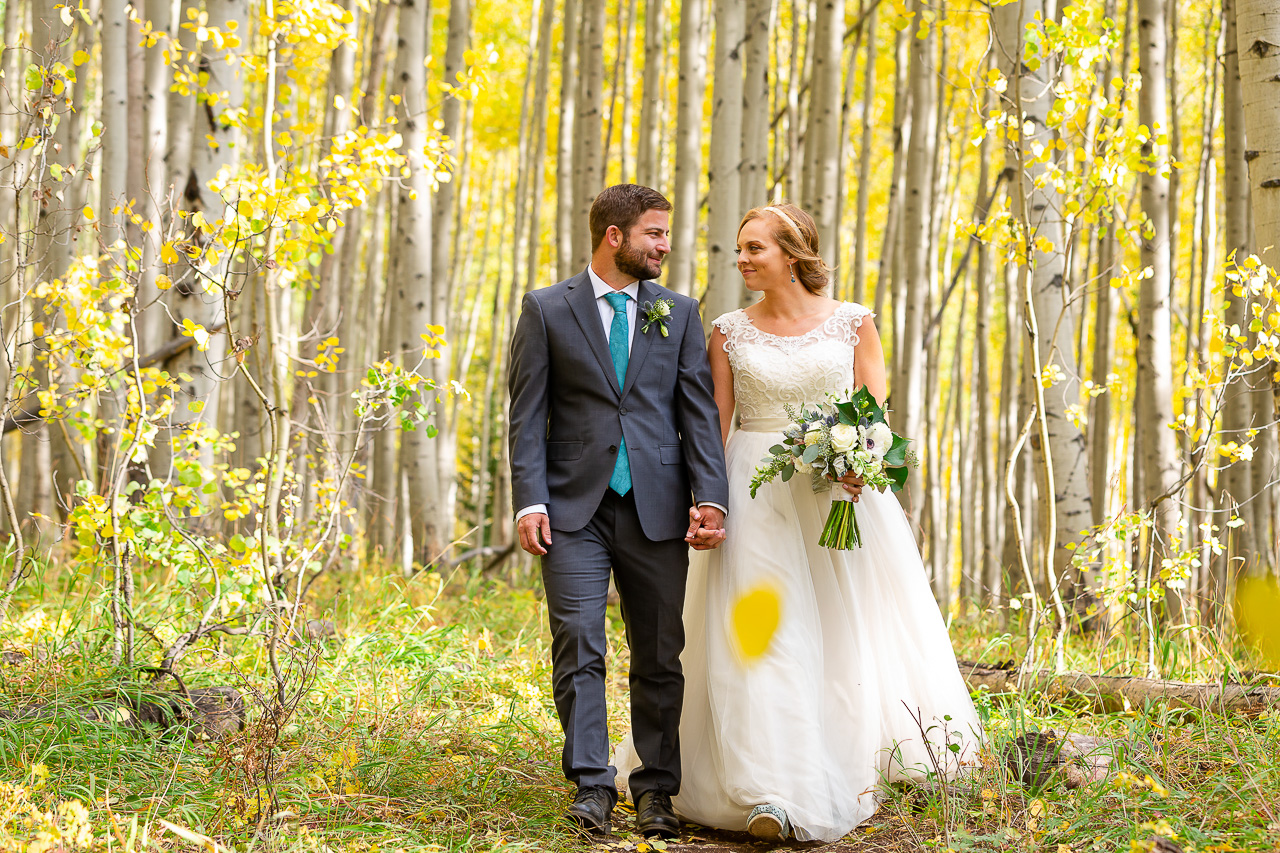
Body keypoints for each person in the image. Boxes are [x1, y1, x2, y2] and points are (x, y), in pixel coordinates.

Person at [616, 203, 982, 843]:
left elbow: (874, 415)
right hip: (753, 494)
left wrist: (863, 461)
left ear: (793, 253)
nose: (743, 259)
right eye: (740, 248)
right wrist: (707, 500)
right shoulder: (728, 332)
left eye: (756, 247)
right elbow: (714, 426)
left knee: (844, 632)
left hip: (837, 495)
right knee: (760, 635)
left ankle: (846, 754)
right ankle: (771, 789)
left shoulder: (853, 323)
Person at [507, 184, 731, 838]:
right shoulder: (546, 309)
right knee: (578, 642)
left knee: (661, 651)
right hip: (571, 510)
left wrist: (709, 497)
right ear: (614, 235)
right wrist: (529, 498)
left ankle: (657, 789)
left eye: (665, 234)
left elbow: (697, 412)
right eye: (654, 234)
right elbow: (526, 415)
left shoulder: (680, 313)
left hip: (657, 509)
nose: (665, 245)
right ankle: (592, 784)